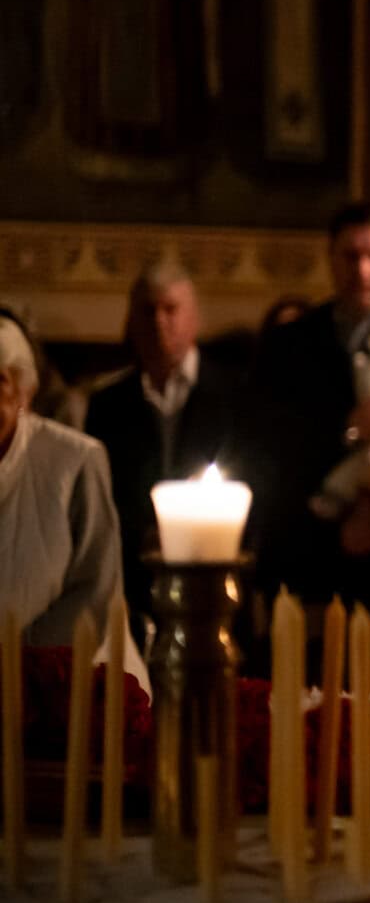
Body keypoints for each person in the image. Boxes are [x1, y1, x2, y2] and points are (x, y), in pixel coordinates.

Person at [248, 200, 370, 678]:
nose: (363, 270)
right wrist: (351, 429)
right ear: (331, 259)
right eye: (350, 256)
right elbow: (266, 448)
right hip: (312, 568)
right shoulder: (289, 346)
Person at [85, 263, 245, 642]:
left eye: (171, 309)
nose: (159, 322)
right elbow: (101, 491)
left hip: (216, 577)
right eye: (148, 311)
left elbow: (250, 475)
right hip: (136, 583)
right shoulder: (107, 404)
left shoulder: (236, 395)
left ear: (194, 318)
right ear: (131, 321)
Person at [0, 310, 148, 689]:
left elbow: (95, 587)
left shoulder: (75, 459)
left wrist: (21, 662)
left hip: (66, 678)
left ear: (24, 391)